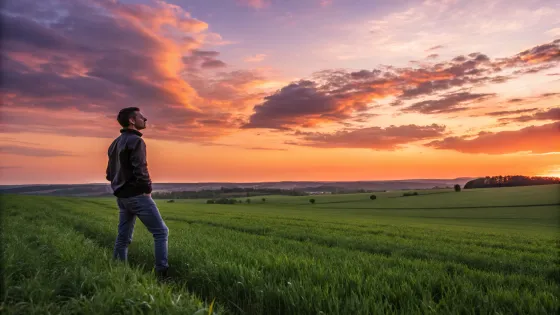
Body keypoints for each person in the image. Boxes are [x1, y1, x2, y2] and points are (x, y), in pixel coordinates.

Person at [105, 107, 169, 280]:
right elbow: (140, 169)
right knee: (161, 232)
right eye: (141, 117)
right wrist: (146, 190)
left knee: (123, 237)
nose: (145, 119)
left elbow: (109, 174)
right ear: (132, 121)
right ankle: (161, 273)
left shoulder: (114, 143)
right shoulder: (136, 141)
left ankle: (118, 271)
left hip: (122, 197)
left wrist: (119, 188)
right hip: (137, 196)